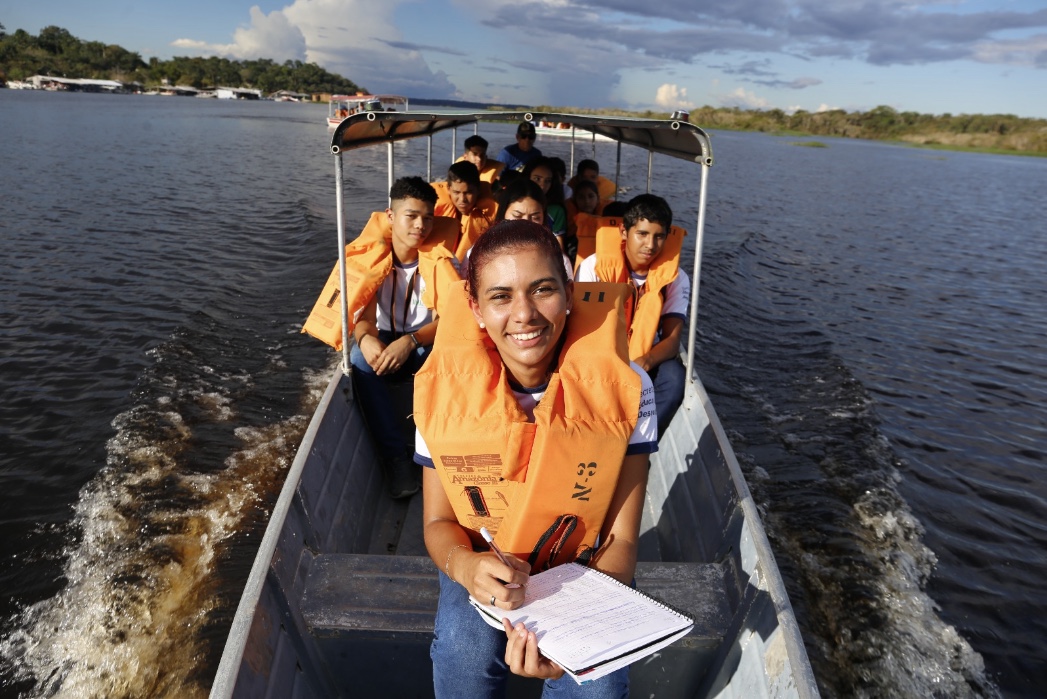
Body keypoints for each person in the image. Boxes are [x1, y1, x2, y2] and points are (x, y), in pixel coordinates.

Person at [413, 219, 657, 698]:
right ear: (475, 308)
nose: (524, 313)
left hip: (586, 567)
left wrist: (566, 626)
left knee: (597, 685)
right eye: (500, 296)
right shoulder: (441, 392)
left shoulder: (628, 387)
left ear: (569, 293)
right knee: (462, 651)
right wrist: (465, 568)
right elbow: (438, 521)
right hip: (485, 561)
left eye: (542, 289)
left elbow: (622, 540)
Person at [303, 176, 460, 499]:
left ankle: (432, 449)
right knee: (360, 363)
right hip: (385, 335)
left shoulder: (443, 260)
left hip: (423, 340)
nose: (421, 225)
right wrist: (365, 338)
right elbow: (363, 317)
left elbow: (451, 321)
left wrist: (411, 342)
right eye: (412, 216)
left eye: (428, 218)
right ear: (391, 216)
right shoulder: (375, 260)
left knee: (447, 359)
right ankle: (395, 457)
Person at [576, 194, 689, 436]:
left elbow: (671, 341)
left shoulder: (675, 278)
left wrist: (642, 364)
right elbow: (581, 331)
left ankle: (640, 445)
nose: (651, 245)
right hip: (600, 351)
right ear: (625, 233)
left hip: (645, 354)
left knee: (675, 379)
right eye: (643, 234)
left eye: (659, 236)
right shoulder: (593, 267)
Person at [490, 179, 574, 280]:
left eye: (535, 218)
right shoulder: (482, 253)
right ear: (503, 213)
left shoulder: (558, 259)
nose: (526, 223)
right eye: (517, 215)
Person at [433, 161, 498, 262]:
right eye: (456, 192)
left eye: (468, 192)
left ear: (478, 190)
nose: (462, 199)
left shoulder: (493, 216)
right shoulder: (432, 211)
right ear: (449, 189)